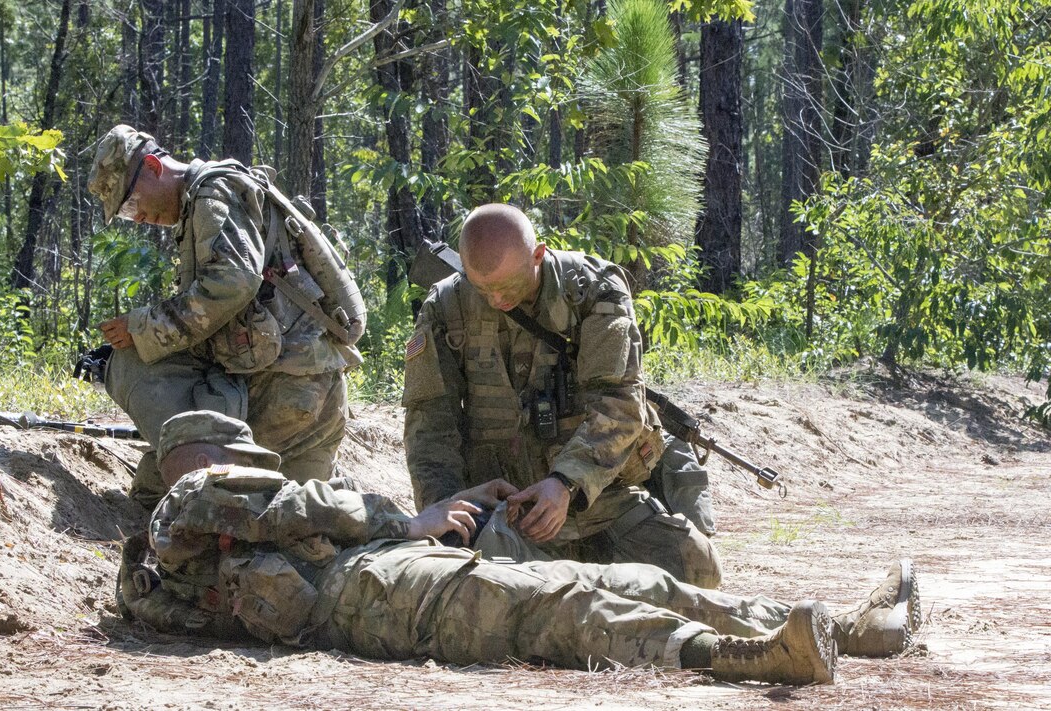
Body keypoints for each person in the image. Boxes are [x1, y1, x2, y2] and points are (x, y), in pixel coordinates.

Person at [117, 412, 923, 686]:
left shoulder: (165, 561)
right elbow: (315, 503)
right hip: (372, 596)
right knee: (563, 608)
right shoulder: (190, 504)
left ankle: (846, 630)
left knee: (623, 577)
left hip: (380, 584)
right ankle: (744, 655)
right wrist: (413, 517)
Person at [402, 203, 720, 587]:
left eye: (507, 287)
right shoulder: (445, 306)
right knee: (477, 592)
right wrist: (448, 512)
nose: (496, 301)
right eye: (482, 288)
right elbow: (430, 426)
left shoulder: (593, 290)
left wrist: (565, 482)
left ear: (538, 255)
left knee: (696, 570)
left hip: (595, 501)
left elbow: (620, 404)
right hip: (506, 513)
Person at [87, 125, 365, 507]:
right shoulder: (211, 195)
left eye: (131, 202)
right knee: (306, 517)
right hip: (311, 395)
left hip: (282, 392)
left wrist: (143, 329)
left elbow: (234, 282)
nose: (136, 218)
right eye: (125, 213)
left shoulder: (211, 193)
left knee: (162, 491)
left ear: (153, 166)